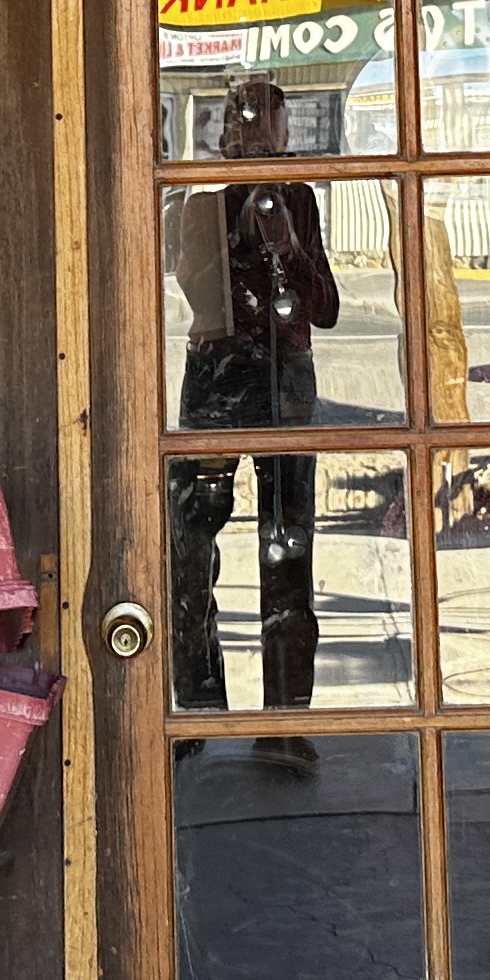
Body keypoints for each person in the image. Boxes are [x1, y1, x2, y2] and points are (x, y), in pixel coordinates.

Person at [164, 73, 339, 717]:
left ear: (286, 141)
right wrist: (234, 233)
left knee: (289, 545)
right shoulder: (198, 204)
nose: (259, 152)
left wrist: (288, 246)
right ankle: (199, 709)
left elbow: (325, 310)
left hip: (285, 376)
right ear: (224, 142)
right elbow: (201, 298)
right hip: (218, 375)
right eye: (246, 136)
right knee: (190, 550)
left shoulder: (299, 200)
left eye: (270, 138)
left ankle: (287, 716)